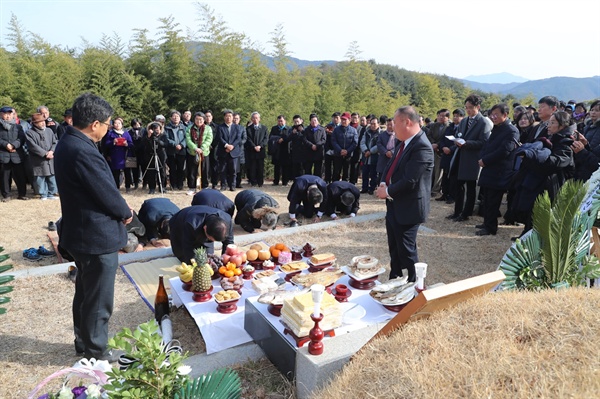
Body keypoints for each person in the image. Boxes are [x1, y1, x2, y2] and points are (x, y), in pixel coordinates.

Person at [54, 93, 133, 361]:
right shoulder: (82, 150)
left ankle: (82, 341)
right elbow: (106, 192)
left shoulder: (68, 141)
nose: (109, 129)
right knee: (99, 298)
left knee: (86, 291)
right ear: (95, 124)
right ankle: (97, 350)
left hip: (79, 232)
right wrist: (125, 212)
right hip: (94, 235)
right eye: (108, 124)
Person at [375, 106, 434, 282]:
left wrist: (387, 191)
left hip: (409, 207)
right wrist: (385, 181)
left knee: (407, 249)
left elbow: (410, 181)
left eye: (395, 123)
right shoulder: (405, 142)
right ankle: (395, 278)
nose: (391, 127)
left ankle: (415, 283)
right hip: (395, 203)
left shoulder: (421, 146)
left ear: (407, 122)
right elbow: (391, 165)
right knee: (394, 246)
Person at [513, 111, 575, 237]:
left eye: (553, 123)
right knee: (531, 213)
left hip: (550, 185)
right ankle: (526, 236)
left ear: (562, 126)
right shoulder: (549, 138)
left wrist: (533, 157)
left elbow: (556, 162)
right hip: (536, 182)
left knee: (541, 218)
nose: (549, 126)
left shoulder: (566, 142)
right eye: (549, 122)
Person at [475, 104, 520, 236]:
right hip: (489, 168)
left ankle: (491, 227)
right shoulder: (497, 128)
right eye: (492, 115)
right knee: (487, 198)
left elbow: (504, 151)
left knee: (494, 200)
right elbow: (487, 145)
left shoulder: (511, 130)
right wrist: (481, 157)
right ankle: (487, 222)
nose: (493, 117)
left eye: (496, 114)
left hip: (499, 171)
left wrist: (486, 160)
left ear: (505, 115)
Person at [447, 94, 492, 222]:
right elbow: (459, 135)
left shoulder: (483, 122)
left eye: (471, 107)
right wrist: (456, 142)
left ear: (478, 107)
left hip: (472, 158)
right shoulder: (464, 121)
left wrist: (467, 143)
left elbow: (484, 142)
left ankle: (466, 213)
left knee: (471, 188)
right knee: (458, 186)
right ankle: (457, 211)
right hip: (460, 157)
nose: (468, 110)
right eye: (466, 107)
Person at [169, 205, 234, 262]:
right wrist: (192, 264)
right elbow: (187, 247)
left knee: (209, 257)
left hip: (203, 221)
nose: (212, 241)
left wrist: (225, 261)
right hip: (179, 224)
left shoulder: (227, 221)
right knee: (183, 256)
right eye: (210, 239)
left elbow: (229, 243)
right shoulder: (192, 224)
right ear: (205, 228)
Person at [24, 113, 58, 200]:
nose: (43, 123)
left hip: (51, 158)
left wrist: (51, 151)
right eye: (40, 122)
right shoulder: (29, 133)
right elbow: (32, 146)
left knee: (52, 176)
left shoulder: (49, 131)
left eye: (43, 121)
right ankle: (43, 194)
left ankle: (51, 193)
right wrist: (45, 153)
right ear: (34, 123)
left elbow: (55, 142)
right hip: (38, 160)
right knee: (40, 177)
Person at [0, 106, 29, 201]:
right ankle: (6, 195)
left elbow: (22, 138)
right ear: (1, 115)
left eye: (9, 114)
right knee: (4, 176)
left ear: (13, 115)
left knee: (20, 175)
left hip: (17, 154)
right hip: (3, 154)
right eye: (5, 114)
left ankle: (22, 194)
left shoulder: (18, 126)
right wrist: (6, 145)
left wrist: (13, 145)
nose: (7, 116)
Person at [437, 109, 464, 203]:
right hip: (446, 153)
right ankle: (444, 194)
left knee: (453, 176)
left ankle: (452, 196)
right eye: (454, 116)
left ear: (462, 117)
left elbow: (461, 140)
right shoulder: (450, 127)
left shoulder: (463, 127)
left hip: (454, 154)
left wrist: (451, 149)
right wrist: (443, 147)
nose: (455, 118)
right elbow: (443, 139)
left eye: (458, 116)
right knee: (445, 175)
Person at [103, 117, 134, 191]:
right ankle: (116, 187)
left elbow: (131, 144)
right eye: (115, 123)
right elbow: (106, 144)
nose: (117, 125)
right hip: (115, 155)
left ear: (122, 124)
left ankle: (128, 186)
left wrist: (126, 144)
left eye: (119, 123)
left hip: (126, 155)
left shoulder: (126, 133)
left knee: (127, 171)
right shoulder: (110, 133)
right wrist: (113, 142)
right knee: (115, 172)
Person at [185, 112, 213, 192]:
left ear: (204, 120)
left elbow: (209, 139)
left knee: (205, 170)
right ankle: (192, 187)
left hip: (204, 153)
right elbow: (188, 140)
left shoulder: (208, 128)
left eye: (200, 119)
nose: (199, 121)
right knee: (192, 171)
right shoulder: (189, 128)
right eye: (197, 119)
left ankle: (205, 187)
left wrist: (202, 148)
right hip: (192, 152)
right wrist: (195, 148)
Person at [215, 109, 243, 191]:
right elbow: (220, 138)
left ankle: (232, 185)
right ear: (224, 117)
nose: (228, 118)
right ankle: (223, 185)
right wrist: (226, 145)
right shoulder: (220, 127)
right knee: (222, 169)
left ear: (232, 117)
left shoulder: (237, 127)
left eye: (230, 116)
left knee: (233, 170)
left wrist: (232, 146)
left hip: (234, 151)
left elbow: (238, 138)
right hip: (223, 151)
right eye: (226, 116)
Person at [426, 109, 450, 197]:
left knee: (438, 171)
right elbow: (429, 135)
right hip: (431, 150)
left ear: (448, 117)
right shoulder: (433, 125)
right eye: (439, 115)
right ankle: (428, 188)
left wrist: (438, 145)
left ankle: (435, 190)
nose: (441, 117)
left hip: (442, 151)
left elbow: (446, 138)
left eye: (443, 116)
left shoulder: (449, 127)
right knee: (430, 170)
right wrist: (433, 143)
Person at [163, 110, 187, 191]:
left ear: (180, 118)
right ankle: (173, 185)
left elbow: (187, 138)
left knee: (181, 169)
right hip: (171, 151)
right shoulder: (167, 128)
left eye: (177, 116)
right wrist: (175, 144)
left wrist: (181, 145)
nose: (176, 118)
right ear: (170, 118)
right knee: (172, 169)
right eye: (174, 116)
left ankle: (180, 184)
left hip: (181, 151)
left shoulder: (184, 127)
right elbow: (166, 138)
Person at [331, 112, 358, 182]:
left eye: (345, 120)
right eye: (342, 119)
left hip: (348, 155)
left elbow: (355, 143)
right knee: (336, 172)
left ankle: (345, 188)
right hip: (338, 154)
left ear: (349, 120)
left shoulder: (354, 130)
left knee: (346, 174)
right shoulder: (336, 130)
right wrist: (340, 150)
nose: (343, 121)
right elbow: (333, 141)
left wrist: (347, 151)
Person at [141, 122, 167, 194]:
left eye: (158, 129)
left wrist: (158, 140)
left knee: (162, 171)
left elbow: (165, 144)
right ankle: (152, 188)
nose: (157, 131)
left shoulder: (163, 135)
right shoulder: (147, 136)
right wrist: (149, 136)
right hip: (150, 155)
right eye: (155, 129)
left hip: (161, 155)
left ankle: (162, 187)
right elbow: (143, 144)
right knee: (151, 172)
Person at [245, 112, 268, 187]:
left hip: (261, 151)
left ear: (259, 119)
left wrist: (260, 146)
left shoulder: (264, 128)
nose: (255, 119)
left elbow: (266, 139)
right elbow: (248, 139)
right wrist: (254, 146)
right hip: (251, 151)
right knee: (252, 167)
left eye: (257, 118)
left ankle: (260, 182)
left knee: (260, 167)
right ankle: (253, 182)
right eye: (253, 118)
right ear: (251, 119)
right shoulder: (248, 129)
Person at [268, 115, 291, 186]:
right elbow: (271, 137)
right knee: (277, 166)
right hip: (276, 150)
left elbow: (290, 137)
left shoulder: (288, 129)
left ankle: (285, 181)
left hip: (286, 150)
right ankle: (276, 181)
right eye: (279, 121)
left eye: (281, 121)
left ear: (285, 121)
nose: (280, 122)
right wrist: (278, 139)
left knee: (285, 167)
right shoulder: (274, 128)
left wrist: (283, 139)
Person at [360, 116, 380, 194]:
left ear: (378, 124)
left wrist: (370, 151)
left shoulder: (380, 133)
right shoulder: (366, 132)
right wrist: (365, 150)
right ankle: (364, 188)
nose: (372, 125)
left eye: (374, 124)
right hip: (365, 156)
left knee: (373, 174)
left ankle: (372, 188)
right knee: (365, 173)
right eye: (371, 124)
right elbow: (362, 142)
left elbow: (379, 144)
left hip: (374, 156)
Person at [376, 118, 396, 185]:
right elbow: (379, 144)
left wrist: (392, 152)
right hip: (383, 158)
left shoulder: (398, 135)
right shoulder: (382, 134)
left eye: (391, 125)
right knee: (382, 176)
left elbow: (400, 145)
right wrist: (385, 152)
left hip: (393, 158)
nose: (389, 126)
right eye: (388, 125)